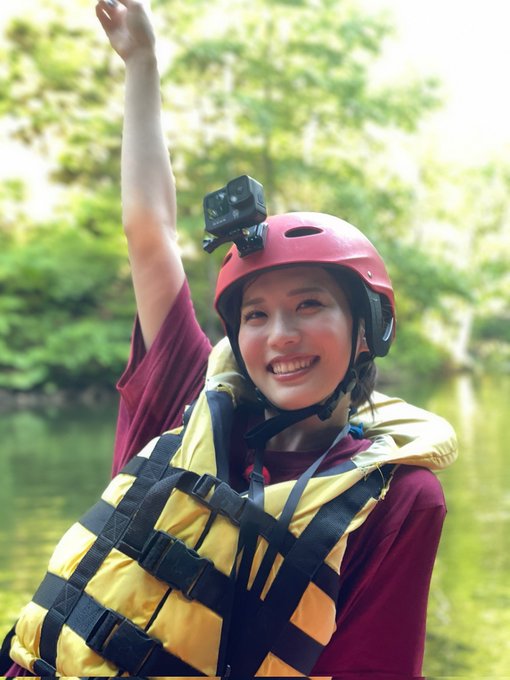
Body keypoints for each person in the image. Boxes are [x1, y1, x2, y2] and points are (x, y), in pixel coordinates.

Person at [4, 1, 457, 677]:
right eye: (256, 316)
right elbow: (149, 233)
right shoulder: (185, 397)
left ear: (366, 331)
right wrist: (141, 63)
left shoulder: (400, 501)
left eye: (310, 306)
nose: (281, 336)